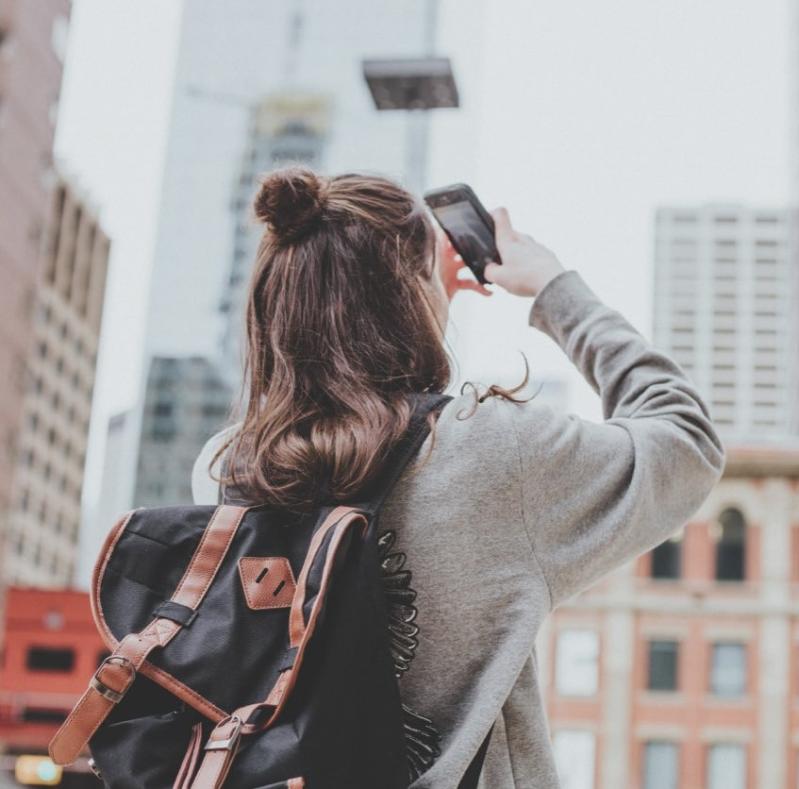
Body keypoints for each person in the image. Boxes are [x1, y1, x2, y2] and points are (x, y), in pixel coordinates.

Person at [192, 167, 725, 788]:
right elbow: (684, 439)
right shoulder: (494, 450)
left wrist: (422, 284)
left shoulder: (229, 468)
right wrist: (553, 288)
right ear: (410, 293)